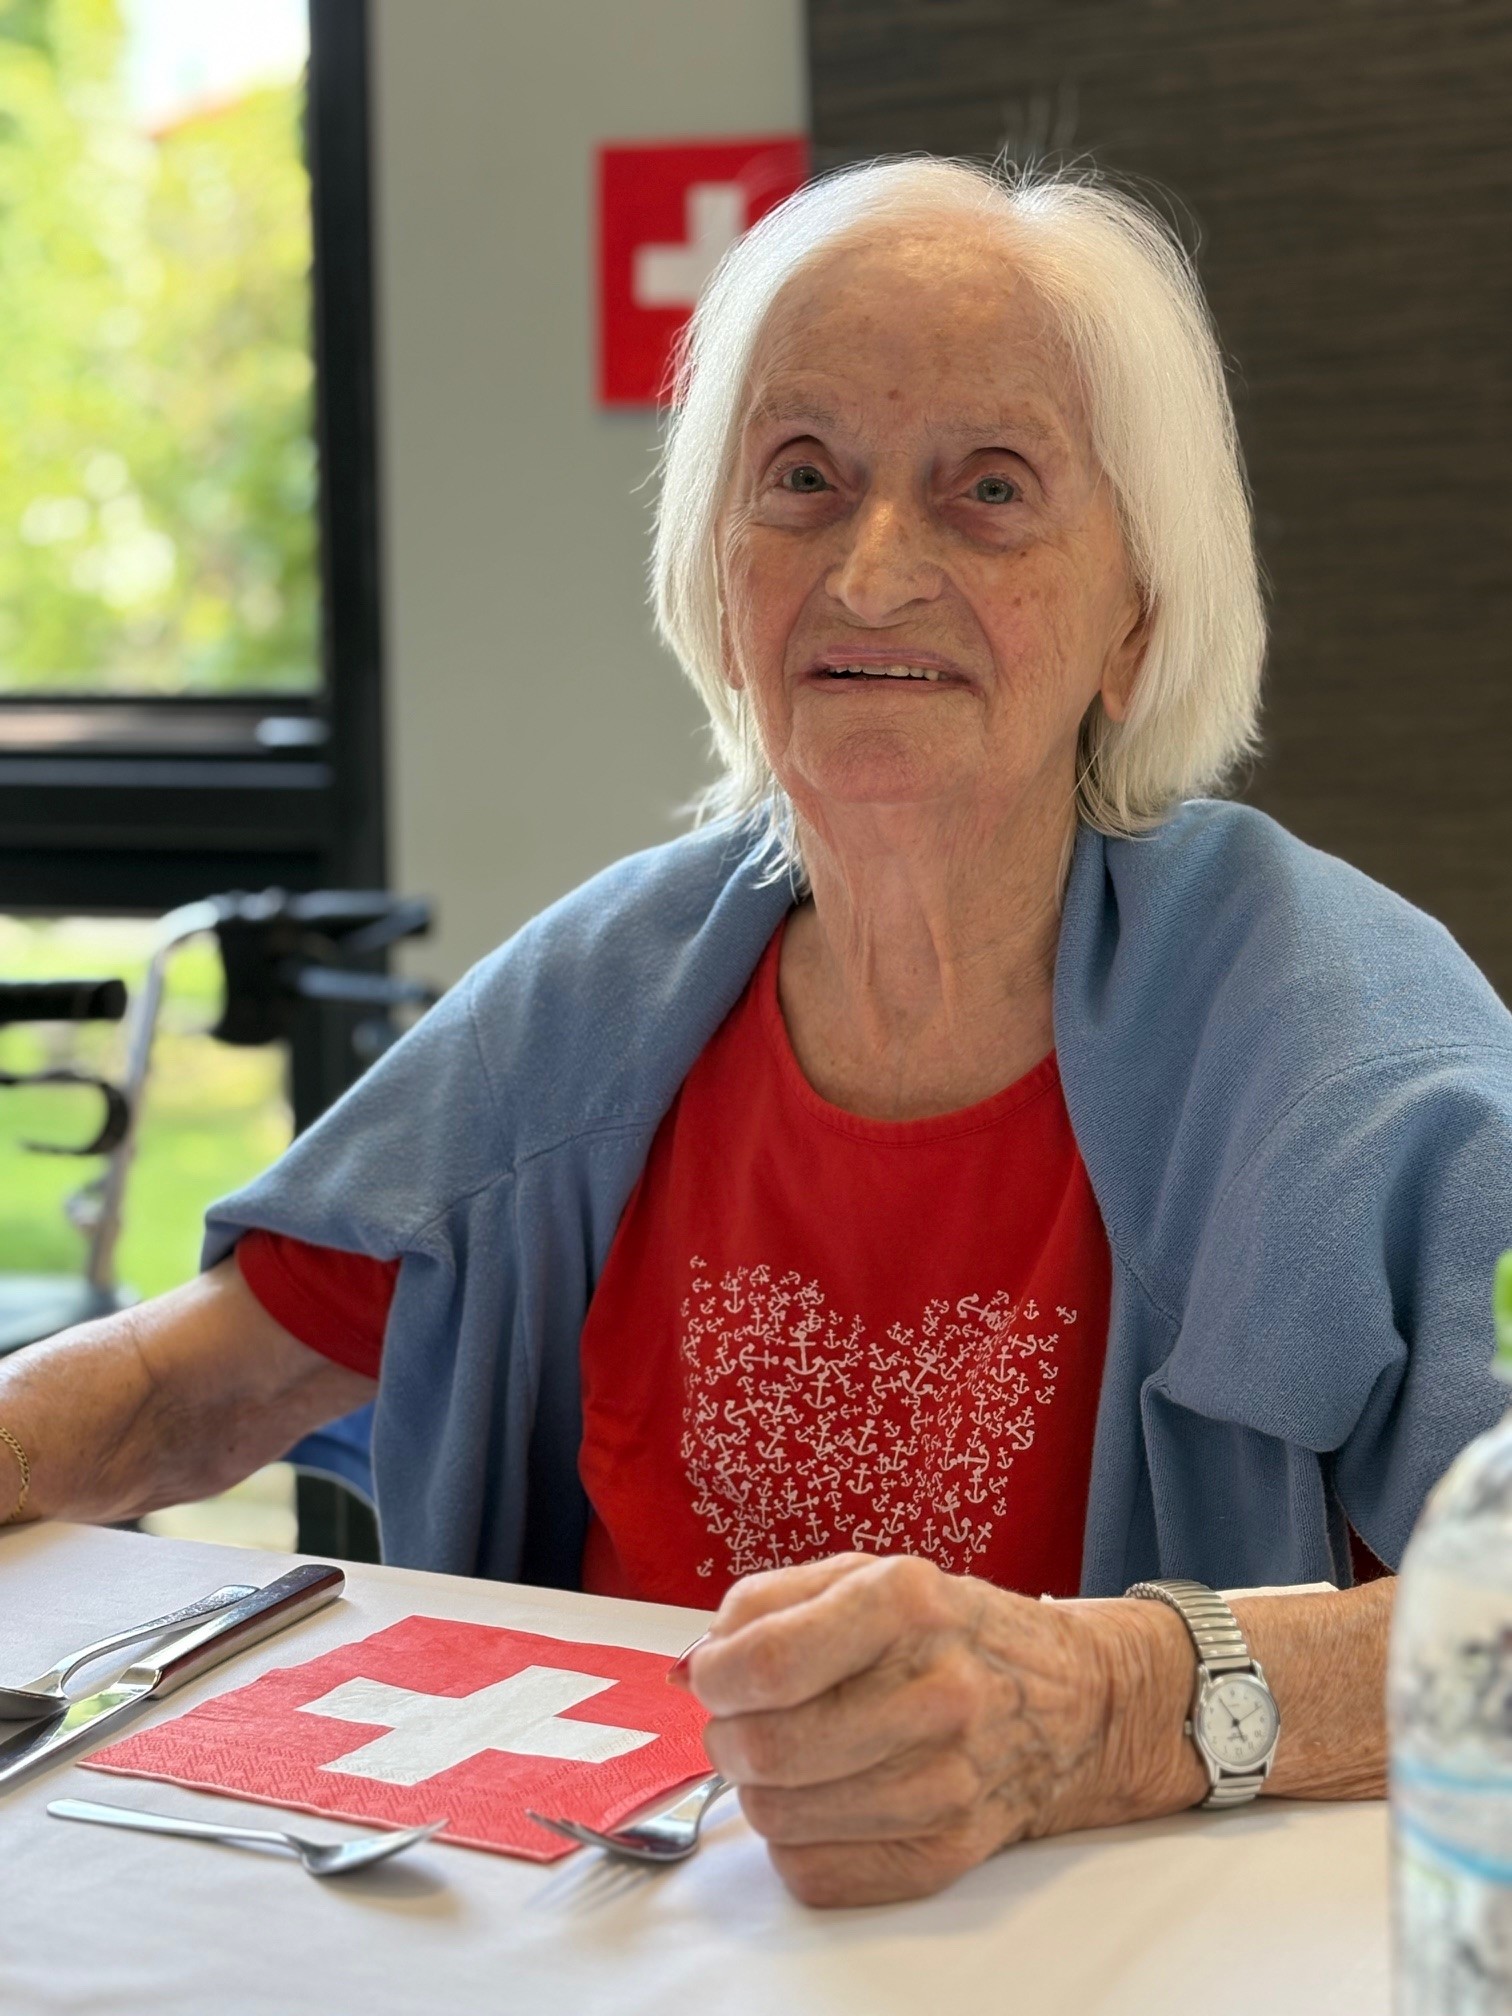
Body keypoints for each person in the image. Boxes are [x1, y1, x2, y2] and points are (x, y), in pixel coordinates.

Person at [5, 157, 1512, 1909]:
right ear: (719, 578)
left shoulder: (1352, 1059)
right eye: (803, 478)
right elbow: (187, 1387)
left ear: (1139, 614)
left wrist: (1113, 1707)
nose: (871, 572)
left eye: (990, 490)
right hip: (616, 1937)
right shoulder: (604, 998)